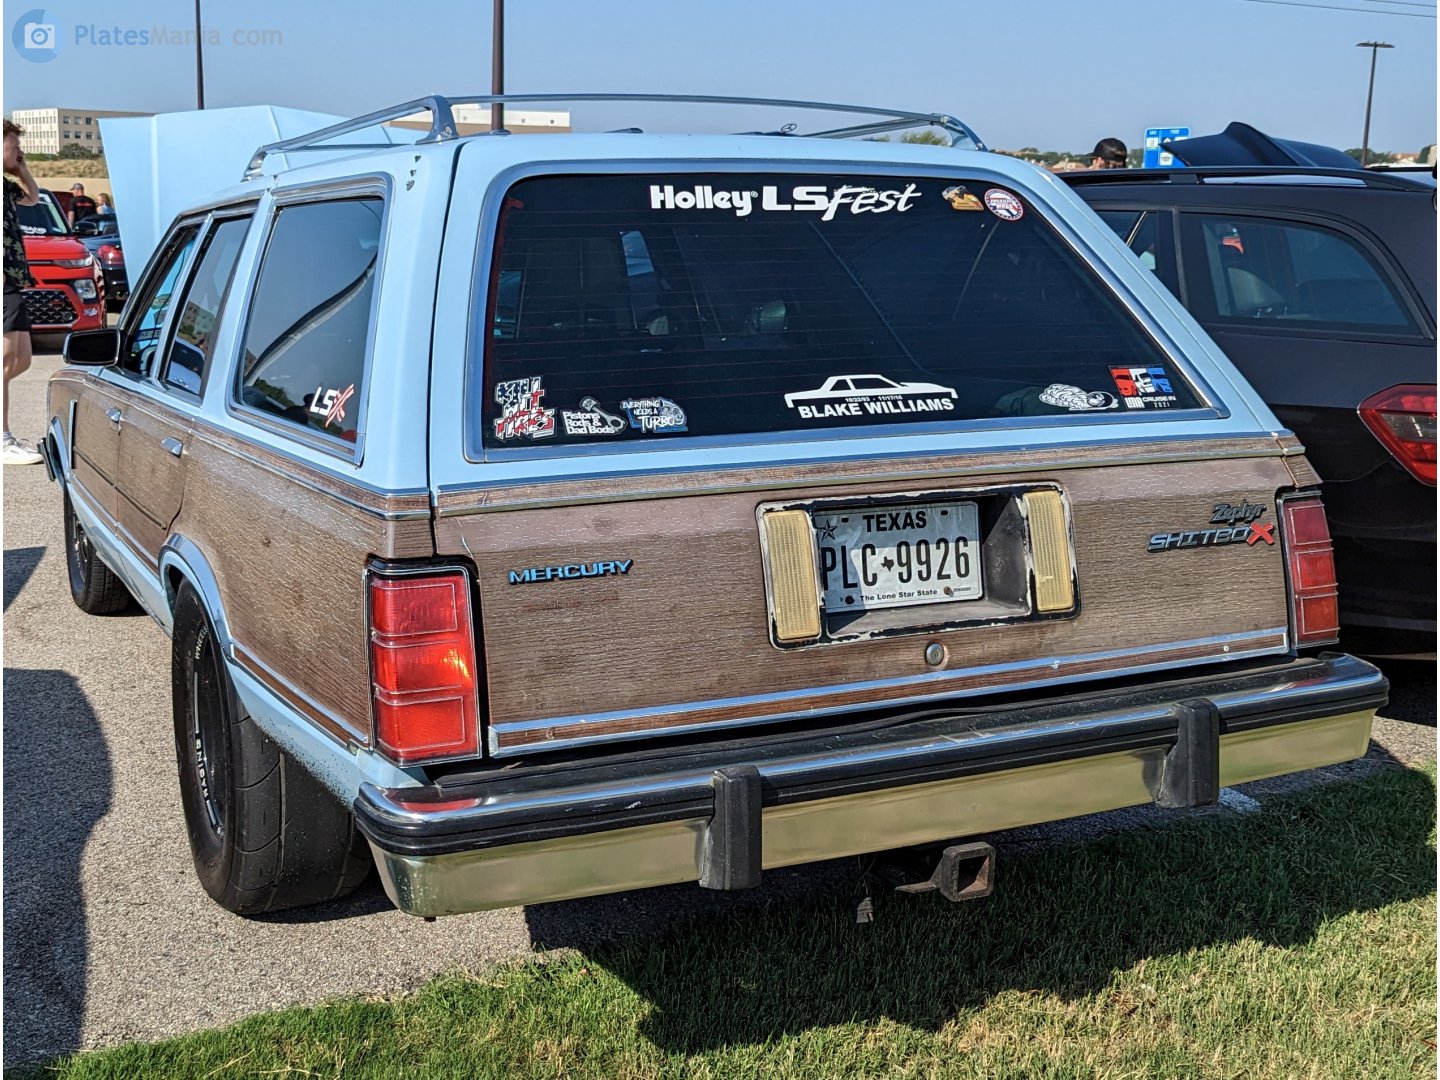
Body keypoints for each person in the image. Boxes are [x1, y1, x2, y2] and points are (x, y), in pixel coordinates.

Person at [4, 120, 43, 465]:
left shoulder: (6, 186)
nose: (19, 151)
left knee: (23, 360)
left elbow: (33, 197)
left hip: (14, 278)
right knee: (4, 360)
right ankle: (3, 440)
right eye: (13, 146)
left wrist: (22, 168)